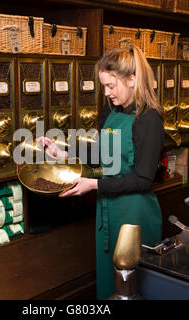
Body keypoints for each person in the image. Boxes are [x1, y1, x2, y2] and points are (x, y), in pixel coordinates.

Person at [39, 45, 164, 299]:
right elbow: (103, 152)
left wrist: (94, 185)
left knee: (134, 288)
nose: (107, 92)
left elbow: (142, 180)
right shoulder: (112, 110)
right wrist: (64, 154)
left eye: (111, 85)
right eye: (104, 86)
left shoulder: (149, 119)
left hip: (134, 214)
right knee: (109, 284)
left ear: (132, 80)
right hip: (108, 210)